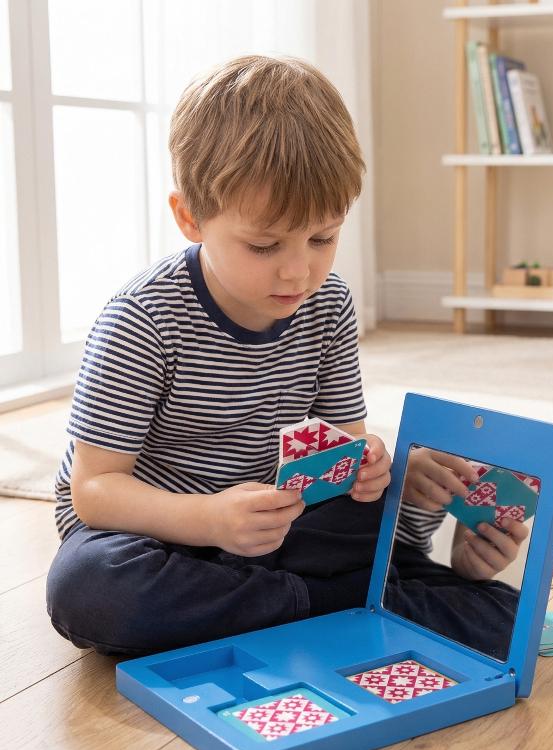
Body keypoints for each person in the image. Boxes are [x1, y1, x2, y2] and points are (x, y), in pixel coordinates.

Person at [46, 55, 393, 656]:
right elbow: (95, 490)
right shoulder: (143, 318)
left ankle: (278, 598)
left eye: (322, 238)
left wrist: (366, 467)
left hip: (269, 523)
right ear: (191, 218)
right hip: (154, 534)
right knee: (88, 588)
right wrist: (209, 519)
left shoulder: (328, 302)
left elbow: (343, 443)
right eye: (264, 245)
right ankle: (323, 601)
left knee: (395, 502)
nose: (298, 271)